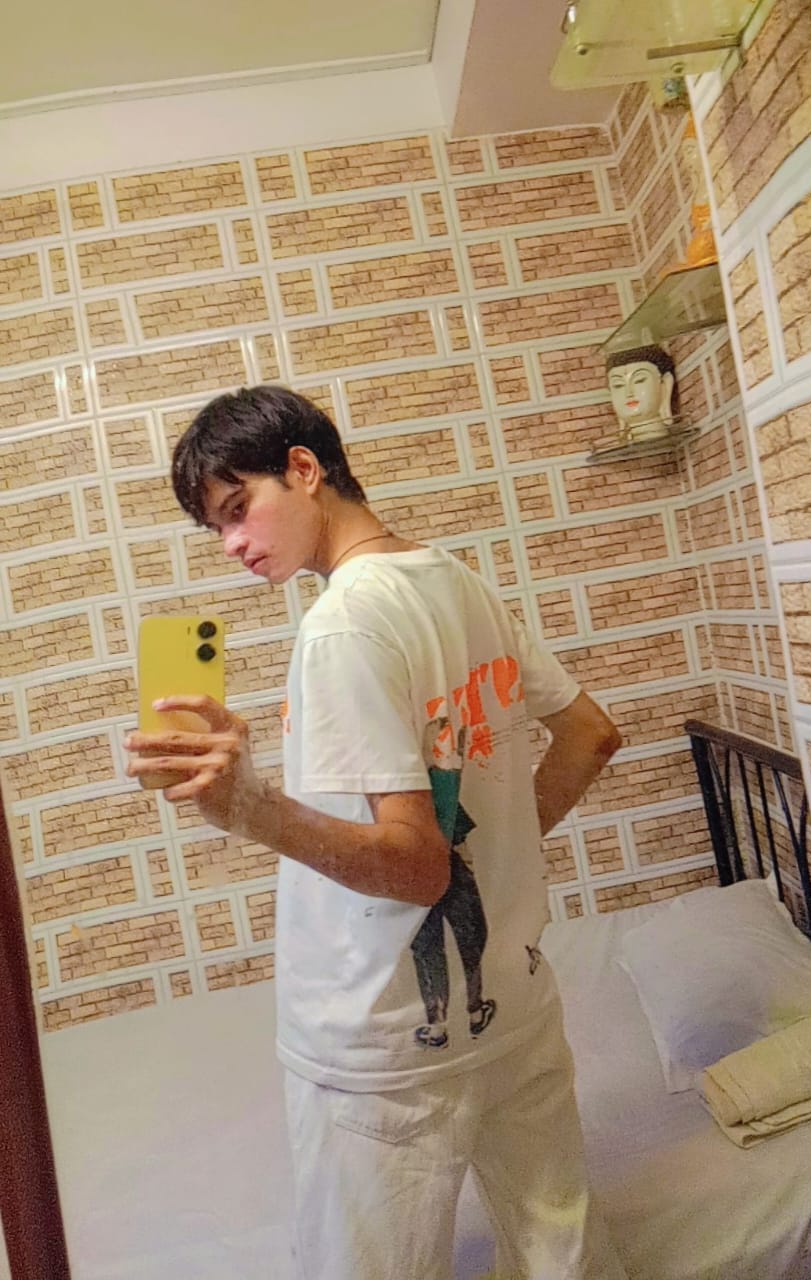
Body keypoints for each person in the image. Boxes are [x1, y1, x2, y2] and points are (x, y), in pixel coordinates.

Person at [125, 384, 627, 1280]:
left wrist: (248, 806)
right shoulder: (459, 582)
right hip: (512, 1007)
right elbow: (591, 735)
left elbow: (418, 869)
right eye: (216, 528)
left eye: (238, 509)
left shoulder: (343, 625)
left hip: (387, 1046)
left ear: (304, 469)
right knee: (563, 1259)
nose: (232, 543)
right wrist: (495, 854)